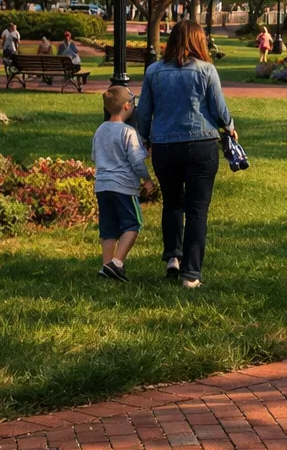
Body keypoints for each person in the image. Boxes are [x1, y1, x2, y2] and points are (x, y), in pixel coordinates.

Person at [136, 20, 235, 289]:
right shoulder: (206, 70)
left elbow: (144, 111)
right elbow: (218, 109)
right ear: (198, 40)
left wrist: (144, 138)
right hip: (201, 143)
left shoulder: (154, 71)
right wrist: (230, 126)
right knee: (197, 210)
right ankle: (191, 274)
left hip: (165, 145)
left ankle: (172, 257)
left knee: (171, 202)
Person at [92, 85, 148, 281]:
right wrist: (147, 179)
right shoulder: (129, 132)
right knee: (133, 224)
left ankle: (106, 267)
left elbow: (94, 156)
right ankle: (117, 262)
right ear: (126, 106)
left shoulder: (100, 130)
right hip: (123, 187)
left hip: (102, 185)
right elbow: (136, 161)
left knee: (108, 228)